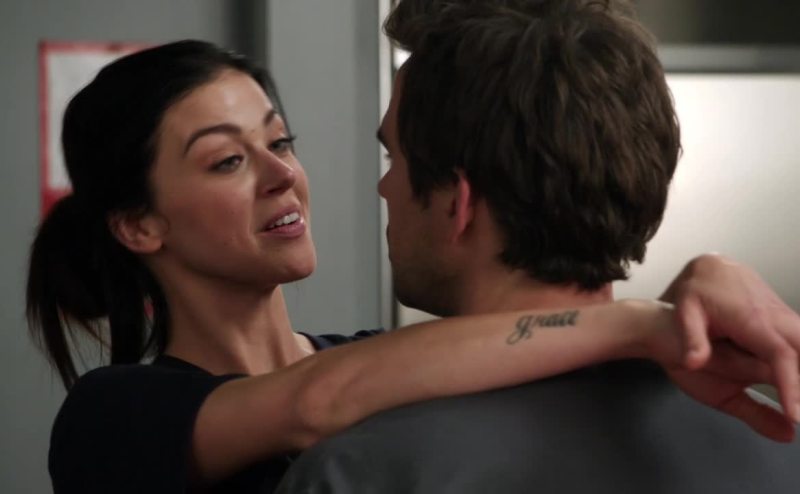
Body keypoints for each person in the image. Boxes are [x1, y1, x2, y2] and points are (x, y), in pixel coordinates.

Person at [26, 39, 798, 494]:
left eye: (280, 142)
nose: (282, 174)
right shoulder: (109, 416)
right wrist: (641, 320)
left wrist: (705, 281)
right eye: (228, 160)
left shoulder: (392, 363)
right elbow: (315, 402)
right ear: (140, 224)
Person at [274, 1, 800, 492]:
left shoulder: (361, 471)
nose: (383, 188)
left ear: (458, 203)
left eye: (395, 160)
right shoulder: (778, 449)